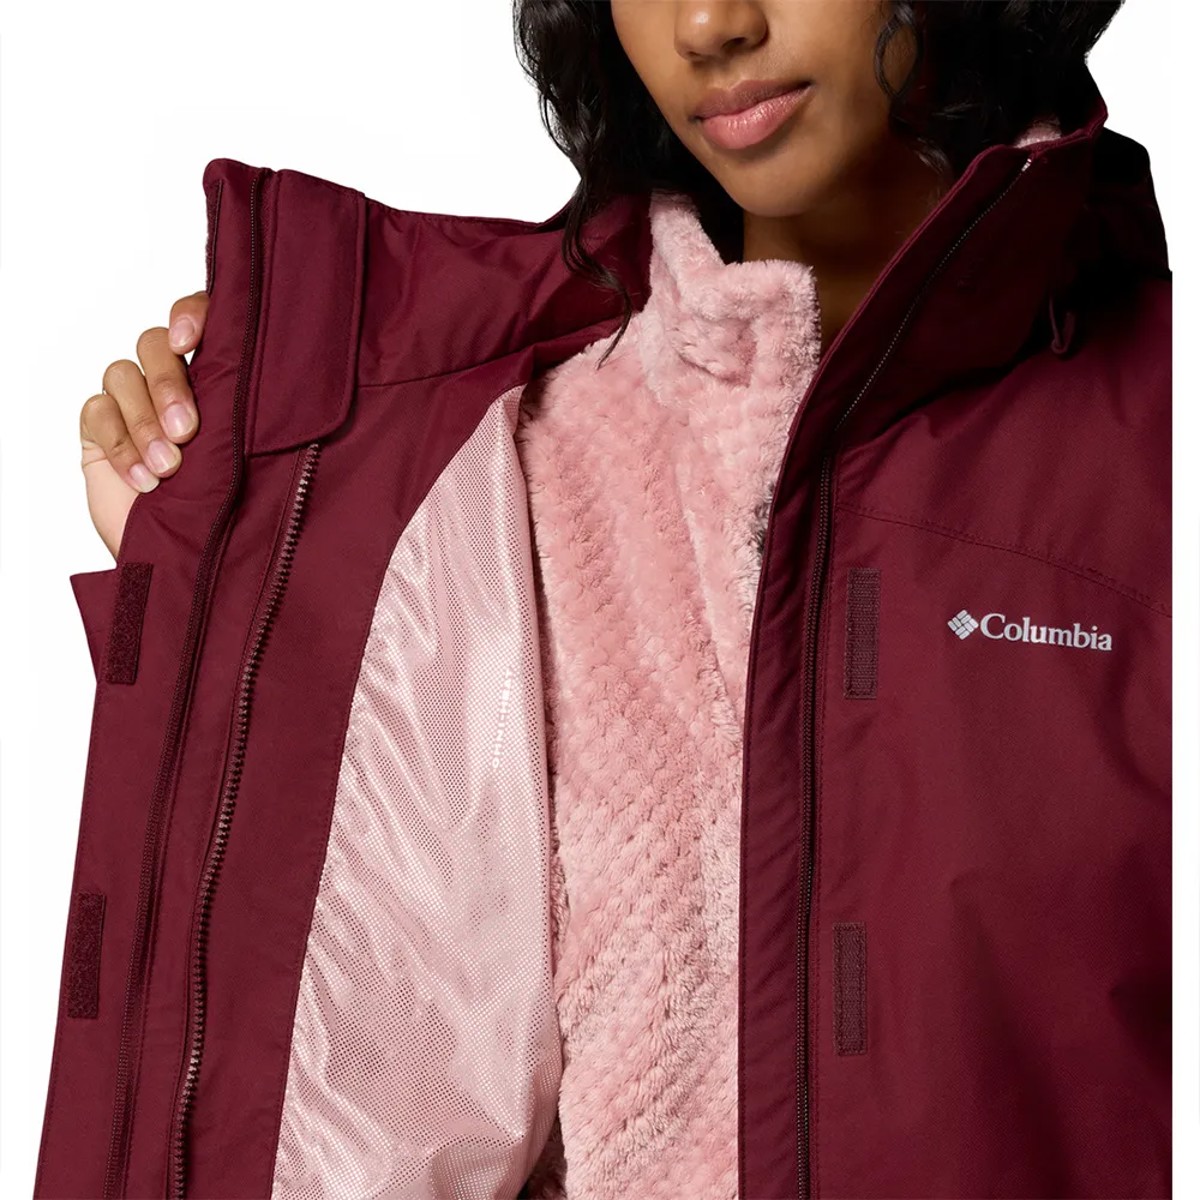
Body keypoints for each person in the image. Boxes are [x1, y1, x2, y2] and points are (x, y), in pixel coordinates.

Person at [61, 3, 1169, 1198]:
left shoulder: (1155, 446)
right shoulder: (496, 459)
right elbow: (384, 1112)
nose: (708, 22)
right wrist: (230, 594)